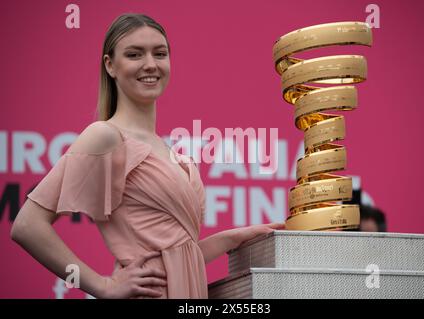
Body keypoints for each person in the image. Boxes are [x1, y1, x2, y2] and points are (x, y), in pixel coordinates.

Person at [10, 13, 284, 299]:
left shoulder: (177, 157)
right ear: (110, 65)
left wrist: (232, 238)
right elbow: (28, 226)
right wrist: (102, 285)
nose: (150, 64)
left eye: (160, 53)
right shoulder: (105, 136)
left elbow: (178, 259)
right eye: (134, 54)